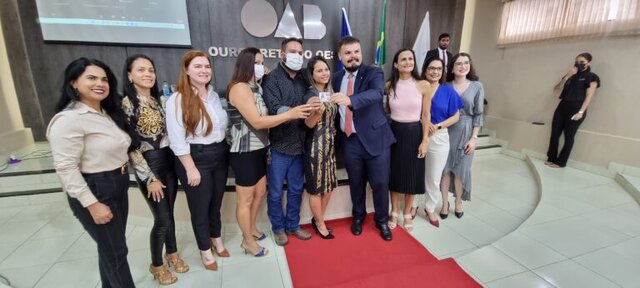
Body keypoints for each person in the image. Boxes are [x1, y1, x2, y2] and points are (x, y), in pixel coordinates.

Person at [47, 57, 136, 287]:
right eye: (91, 78)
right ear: (74, 83)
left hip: (117, 184)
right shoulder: (69, 119)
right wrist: (92, 204)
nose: (100, 83)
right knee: (116, 254)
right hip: (96, 189)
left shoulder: (106, 114)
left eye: (104, 79)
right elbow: (66, 168)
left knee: (110, 250)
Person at [227, 47, 312, 254]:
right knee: (247, 199)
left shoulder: (256, 87)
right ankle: (248, 241)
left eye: (262, 62)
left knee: (260, 193)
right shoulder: (239, 88)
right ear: (246, 64)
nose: (261, 67)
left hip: (261, 149)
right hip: (245, 151)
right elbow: (256, 121)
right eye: (256, 63)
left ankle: (255, 229)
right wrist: (290, 113)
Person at [121, 54, 188, 285]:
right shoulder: (127, 104)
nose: (148, 74)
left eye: (151, 70)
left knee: (168, 214)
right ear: (129, 75)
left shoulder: (160, 101)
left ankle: (172, 253)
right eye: (141, 70)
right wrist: (149, 178)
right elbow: (130, 145)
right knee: (162, 219)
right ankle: (156, 265)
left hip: (169, 163)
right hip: (150, 168)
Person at [165, 50, 229, 271]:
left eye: (207, 66)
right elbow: (176, 139)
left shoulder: (213, 95)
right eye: (198, 67)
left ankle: (216, 238)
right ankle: (204, 249)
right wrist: (190, 168)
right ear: (186, 70)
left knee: (216, 204)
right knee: (200, 208)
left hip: (220, 154)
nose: (204, 71)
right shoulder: (178, 99)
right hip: (195, 158)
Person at [331, 36, 396, 241]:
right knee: (356, 183)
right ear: (340, 56)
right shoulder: (335, 78)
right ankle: (358, 217)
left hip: (376, 139)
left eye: (356, 52)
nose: (353, 57)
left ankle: (382, 221)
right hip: (350, 141)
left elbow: (377, 93)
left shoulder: (373, 72)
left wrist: (350, 100)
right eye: (348, 53)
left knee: (380, 183)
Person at [262, 38, 313, 246]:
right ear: (281, 54)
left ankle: (293, 225)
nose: (297, 56)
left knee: (296, 190)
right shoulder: (271, 79)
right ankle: (278, 228)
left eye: (300, 53)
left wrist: (312, 102)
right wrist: (293, 112)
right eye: (292, 51)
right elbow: (273, 107)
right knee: (274, 192)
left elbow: (313, 93)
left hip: (300, 146)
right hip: (279, 147)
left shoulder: (304, 78)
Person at [386, 49, 434, 231]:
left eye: (411, 59)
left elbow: (426, 114)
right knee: (395, 175)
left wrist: (425, 140)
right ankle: (394, 211)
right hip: (394, 133)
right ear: (396, 64)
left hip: (414, 133)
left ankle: (407, 213)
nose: (407, 62)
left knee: (412, 176)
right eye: (403, 59)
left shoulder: (423, 85)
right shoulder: (389, 85)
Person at [412, 57, 463, 227]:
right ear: (425, 70)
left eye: (439, 69)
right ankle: (412, 205)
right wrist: (423, 123)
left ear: (443, 72)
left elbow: (456, 116)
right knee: (415, 173)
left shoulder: (448, 91)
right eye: (432, 68)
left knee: (433, 177)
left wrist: (437, 126)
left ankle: (430, 207)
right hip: (417, 134)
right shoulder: (417, 87)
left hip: (439, 137)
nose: (435, 72)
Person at [440, 53, 484, 219]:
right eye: (459, 63)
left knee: (461, 171)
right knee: (444, 171)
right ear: (452, 67)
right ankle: (444, 203)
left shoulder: (477, 86)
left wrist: (474, 138)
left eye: (466, 63)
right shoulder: (445, 86)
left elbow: (479, 114)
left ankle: (458, 201)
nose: (463, 66)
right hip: (446, 131)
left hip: (466, 131)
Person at [303, 56, 339, 239]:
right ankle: (320, 223)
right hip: (315, 147)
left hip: (331, 146)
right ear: (312, 74)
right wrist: (317, 113)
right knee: (316, 188)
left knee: (329, 186)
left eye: (326, 69)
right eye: (319, 70)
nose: (324, 73)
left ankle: (319, 218)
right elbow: (308, 124)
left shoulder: (331, 91)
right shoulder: (309, 95)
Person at [546, 52, 600, 168]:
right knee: (555, 134)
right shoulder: (570, 75)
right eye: (576, 62)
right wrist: (566, 76)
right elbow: (556, 91)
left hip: (576, 108)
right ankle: (551, 158)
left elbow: (589, 96)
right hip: (562, 107)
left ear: (589, 62)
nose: (578, 64)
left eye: (582, 62)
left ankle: (561, 162)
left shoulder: (592, 77)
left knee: (569, 136)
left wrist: (581, 112)